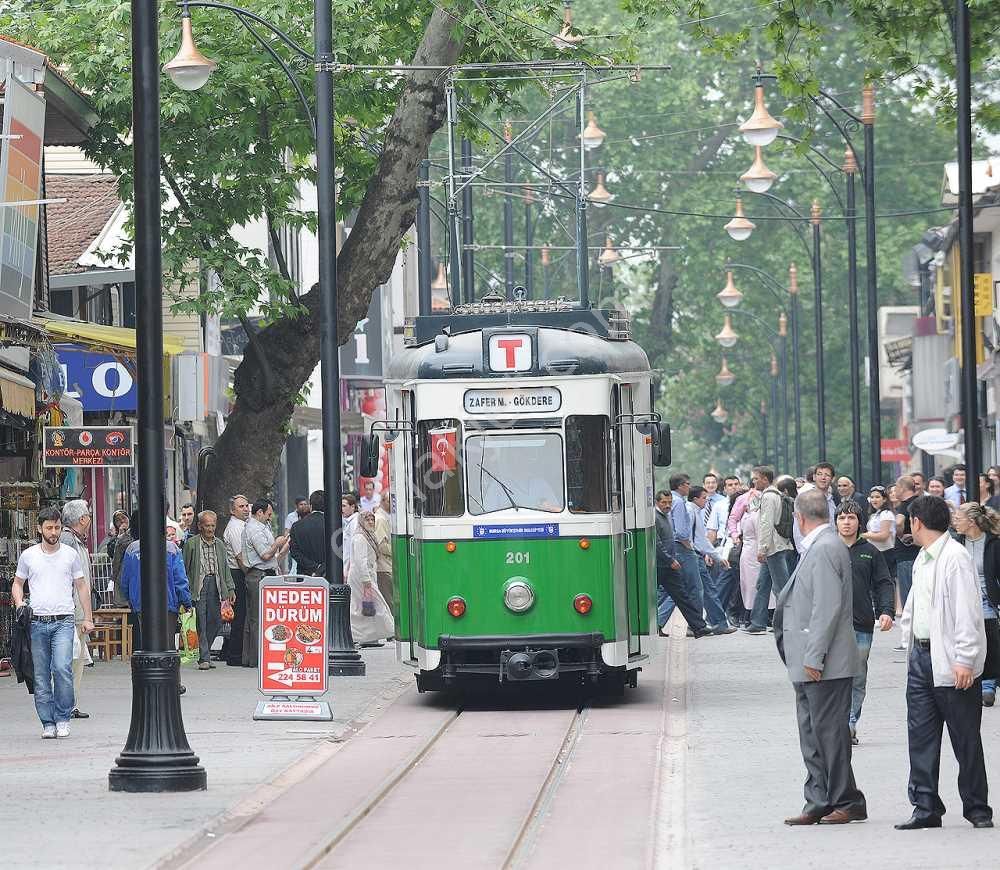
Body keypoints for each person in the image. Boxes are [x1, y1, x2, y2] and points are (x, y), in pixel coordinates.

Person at [895, 495, 993, 830]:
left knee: (965, 736)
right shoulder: (924, 557)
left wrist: (965, 659)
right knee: (920, 735)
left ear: (917, 522)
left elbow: (968, 612)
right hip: (922, 657)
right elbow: (913, 608)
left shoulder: (955, 557)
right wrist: (908, 647)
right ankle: (925, 807)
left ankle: (977, 808)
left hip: (951, 660)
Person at [774, 489, 867, 826]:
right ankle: (820, 798)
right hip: (809, 661)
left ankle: (842, 799)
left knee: (828, 734)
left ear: (799, 518)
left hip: (823, 662)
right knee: (813, 733)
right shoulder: (821, 546)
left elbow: (826, 609)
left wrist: (814, 657)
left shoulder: (826, 548)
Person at [11, 507, 92, 739]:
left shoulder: (70, 554)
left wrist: (88, 617)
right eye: (49, 528)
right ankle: (47, 722)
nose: (53, 532)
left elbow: (82, 586)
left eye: (57, 527)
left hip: (64, 622)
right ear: (39, 528)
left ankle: (63, 717)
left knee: (62, 668)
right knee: (41, 675)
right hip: (36, 623)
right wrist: (19, 604)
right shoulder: (29, 556)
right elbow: (17, 583)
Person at [835, 502, 894, 745]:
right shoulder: (826, 549)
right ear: (835, 522)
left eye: (851, 518)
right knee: (835, 678)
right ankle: (836, 724)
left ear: (860, 522)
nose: (846, 522)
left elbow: (883, 583)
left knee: (857, 677)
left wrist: (886, 611)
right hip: (831, 626)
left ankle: (849, 722)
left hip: (861, 624)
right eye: (841, 518)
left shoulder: (870, 551)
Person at [120, 509, 192, 693]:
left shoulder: (132, 549)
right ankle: (172, 682)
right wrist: (186, 601)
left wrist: (130, 599)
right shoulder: (171, 548)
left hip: (141, 604)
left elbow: (125, 579)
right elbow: (180, 579)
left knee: (146, 643)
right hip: (168, 603)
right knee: (168, 644)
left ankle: (148, 681)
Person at [951, 501, 1000, 707]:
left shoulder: (993, 543)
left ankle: (988, 683)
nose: (954, 522)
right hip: (961, 599)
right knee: (966, 638)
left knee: (988, 639)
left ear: (971, 522)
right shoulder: (954, 543)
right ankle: (973, 679)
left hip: (987, 600)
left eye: (958, 518)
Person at [183, 510, 236, 671]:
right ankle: (204, 657)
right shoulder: (191, 544)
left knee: (216, 620)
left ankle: (203, 651)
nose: (210, 529)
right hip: (198, 585)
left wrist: (231, 588)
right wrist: (184, 590)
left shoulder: (219, 544)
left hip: (216, 584)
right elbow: (184, 567)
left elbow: (225, 568)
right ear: (200, 526)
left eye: (213, 525)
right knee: (201, 620)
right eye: (207, 526)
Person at [654, 490, 711, 638]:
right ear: (657, 502)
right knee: (654, 598)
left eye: (669, 502)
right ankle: (655, 625)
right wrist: (670, 559)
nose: (667, 505)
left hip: (669, 565)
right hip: (661, 565)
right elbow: (657, 544)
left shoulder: (666, 516)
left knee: (682, 596)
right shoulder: (655, 518)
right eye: (663, 503)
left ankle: (699, 627)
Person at [746, 466, 794, 635]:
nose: (754, 481)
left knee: (781, 587)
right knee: (763, 584)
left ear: (765, 479)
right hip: (777, 545)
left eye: (756, 478)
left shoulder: (768, 496)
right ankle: (757, 622)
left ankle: (787, 622)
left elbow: (766, 523)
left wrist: (762, 548)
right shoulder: (776, 495)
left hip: (773, 547)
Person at [242, 498, 289, 667]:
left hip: (265, 572)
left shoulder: (262, 527)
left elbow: (272, 557)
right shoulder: (254, 529)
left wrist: (283, 546)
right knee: (256, 618)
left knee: (257, 618)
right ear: (260, 512)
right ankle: (256, 657)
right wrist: (277, 543)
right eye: (268, 514)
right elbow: (265, 555)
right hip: (258, 575)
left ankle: (253, 656)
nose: (270, 517)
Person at [59, 499, 93, 721]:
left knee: (76, 659)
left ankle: (69, 702)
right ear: (82, 519)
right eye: (88, 515)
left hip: (78, 611)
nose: (90, 518)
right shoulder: (68, 541)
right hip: (71, 612)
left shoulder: (75, 541)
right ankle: (66, 704)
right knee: (70, 660)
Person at [688, 485, 734, 633]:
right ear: (695, 499)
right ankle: (715, 623)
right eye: (703, 498)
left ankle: (714, 623)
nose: (706, 502)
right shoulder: (690, 511)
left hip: (694, 554)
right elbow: (699, 540)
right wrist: (717, 557)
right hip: (693, 554)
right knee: (704, 590)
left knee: (703, 590)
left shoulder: (694, 511)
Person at [347, 510, 394, 645]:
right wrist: (366, 581)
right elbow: (360, 561)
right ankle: (389, 630)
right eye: (367, 520)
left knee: (365, 608)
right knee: (376, 605)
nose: (371, 522)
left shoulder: (368, 536)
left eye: (372, 520)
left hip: (366, 576)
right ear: (362, 521)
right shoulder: (360, 538)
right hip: (362, 578)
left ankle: (369, 637)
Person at [222, 494, 250, 667]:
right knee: (239, 616)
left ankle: (232, 651)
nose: (246, 509)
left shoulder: (243, 525)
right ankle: (234, 654)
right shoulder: (235, 528)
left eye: (246, 505)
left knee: (241, 615)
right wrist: (250, 574)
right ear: (232, 510)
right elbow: (240, 557)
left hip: (240, 572)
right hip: (237, 573)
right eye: (241, 506)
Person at [893, 475, 921, 622]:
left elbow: (898, 523)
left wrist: (900, 534)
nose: (894, 491)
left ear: (903, 488)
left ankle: (909, 640)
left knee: (908, 598)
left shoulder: (905, 505)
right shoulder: (920, 502)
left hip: (906, 556)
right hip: (918, 554)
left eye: (896, 487)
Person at [861, 486, 896, 578]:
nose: (874, 500)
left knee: (886, 582)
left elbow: (884, 536)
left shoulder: (886, 514)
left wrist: (864, 535)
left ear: (884, 499)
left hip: (885, 553)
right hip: (875, 552)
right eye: (872, 497)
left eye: (877, 497)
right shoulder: (875, 514)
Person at [290, 490, 327, 576]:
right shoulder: (333, 525)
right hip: (329, 575)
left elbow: (294, 552)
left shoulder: (296, 526)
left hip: (305, 575)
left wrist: (314, 566)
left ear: (311, 506)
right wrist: (322, 568)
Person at [374, 491, 394, 614]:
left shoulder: (384, 517)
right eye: (390, 501)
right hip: (384, 567)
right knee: (389, 601)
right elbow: (382, 546)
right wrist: (397, 551)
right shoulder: (381, 519)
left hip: (385, 566)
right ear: (384, 502)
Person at [342, 494, 359, 578]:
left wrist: (348, 570)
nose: (342, 509)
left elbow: (354, 548)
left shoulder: (354, 523)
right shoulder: (348, 522)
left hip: (350, 569)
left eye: (344, 506)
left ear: (352, 507)